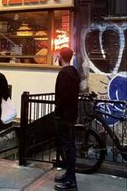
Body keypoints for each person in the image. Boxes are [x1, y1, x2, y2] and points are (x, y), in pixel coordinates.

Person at [54, 47, 80, 190]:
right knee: (70, 146)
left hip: (64, 116)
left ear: (60, 57)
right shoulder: (74, 72)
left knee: (67, 147)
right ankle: (69, 175)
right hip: (71, 114)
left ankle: (71, 181)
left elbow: (62, 97)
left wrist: (57, 113)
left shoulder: (64, 74)